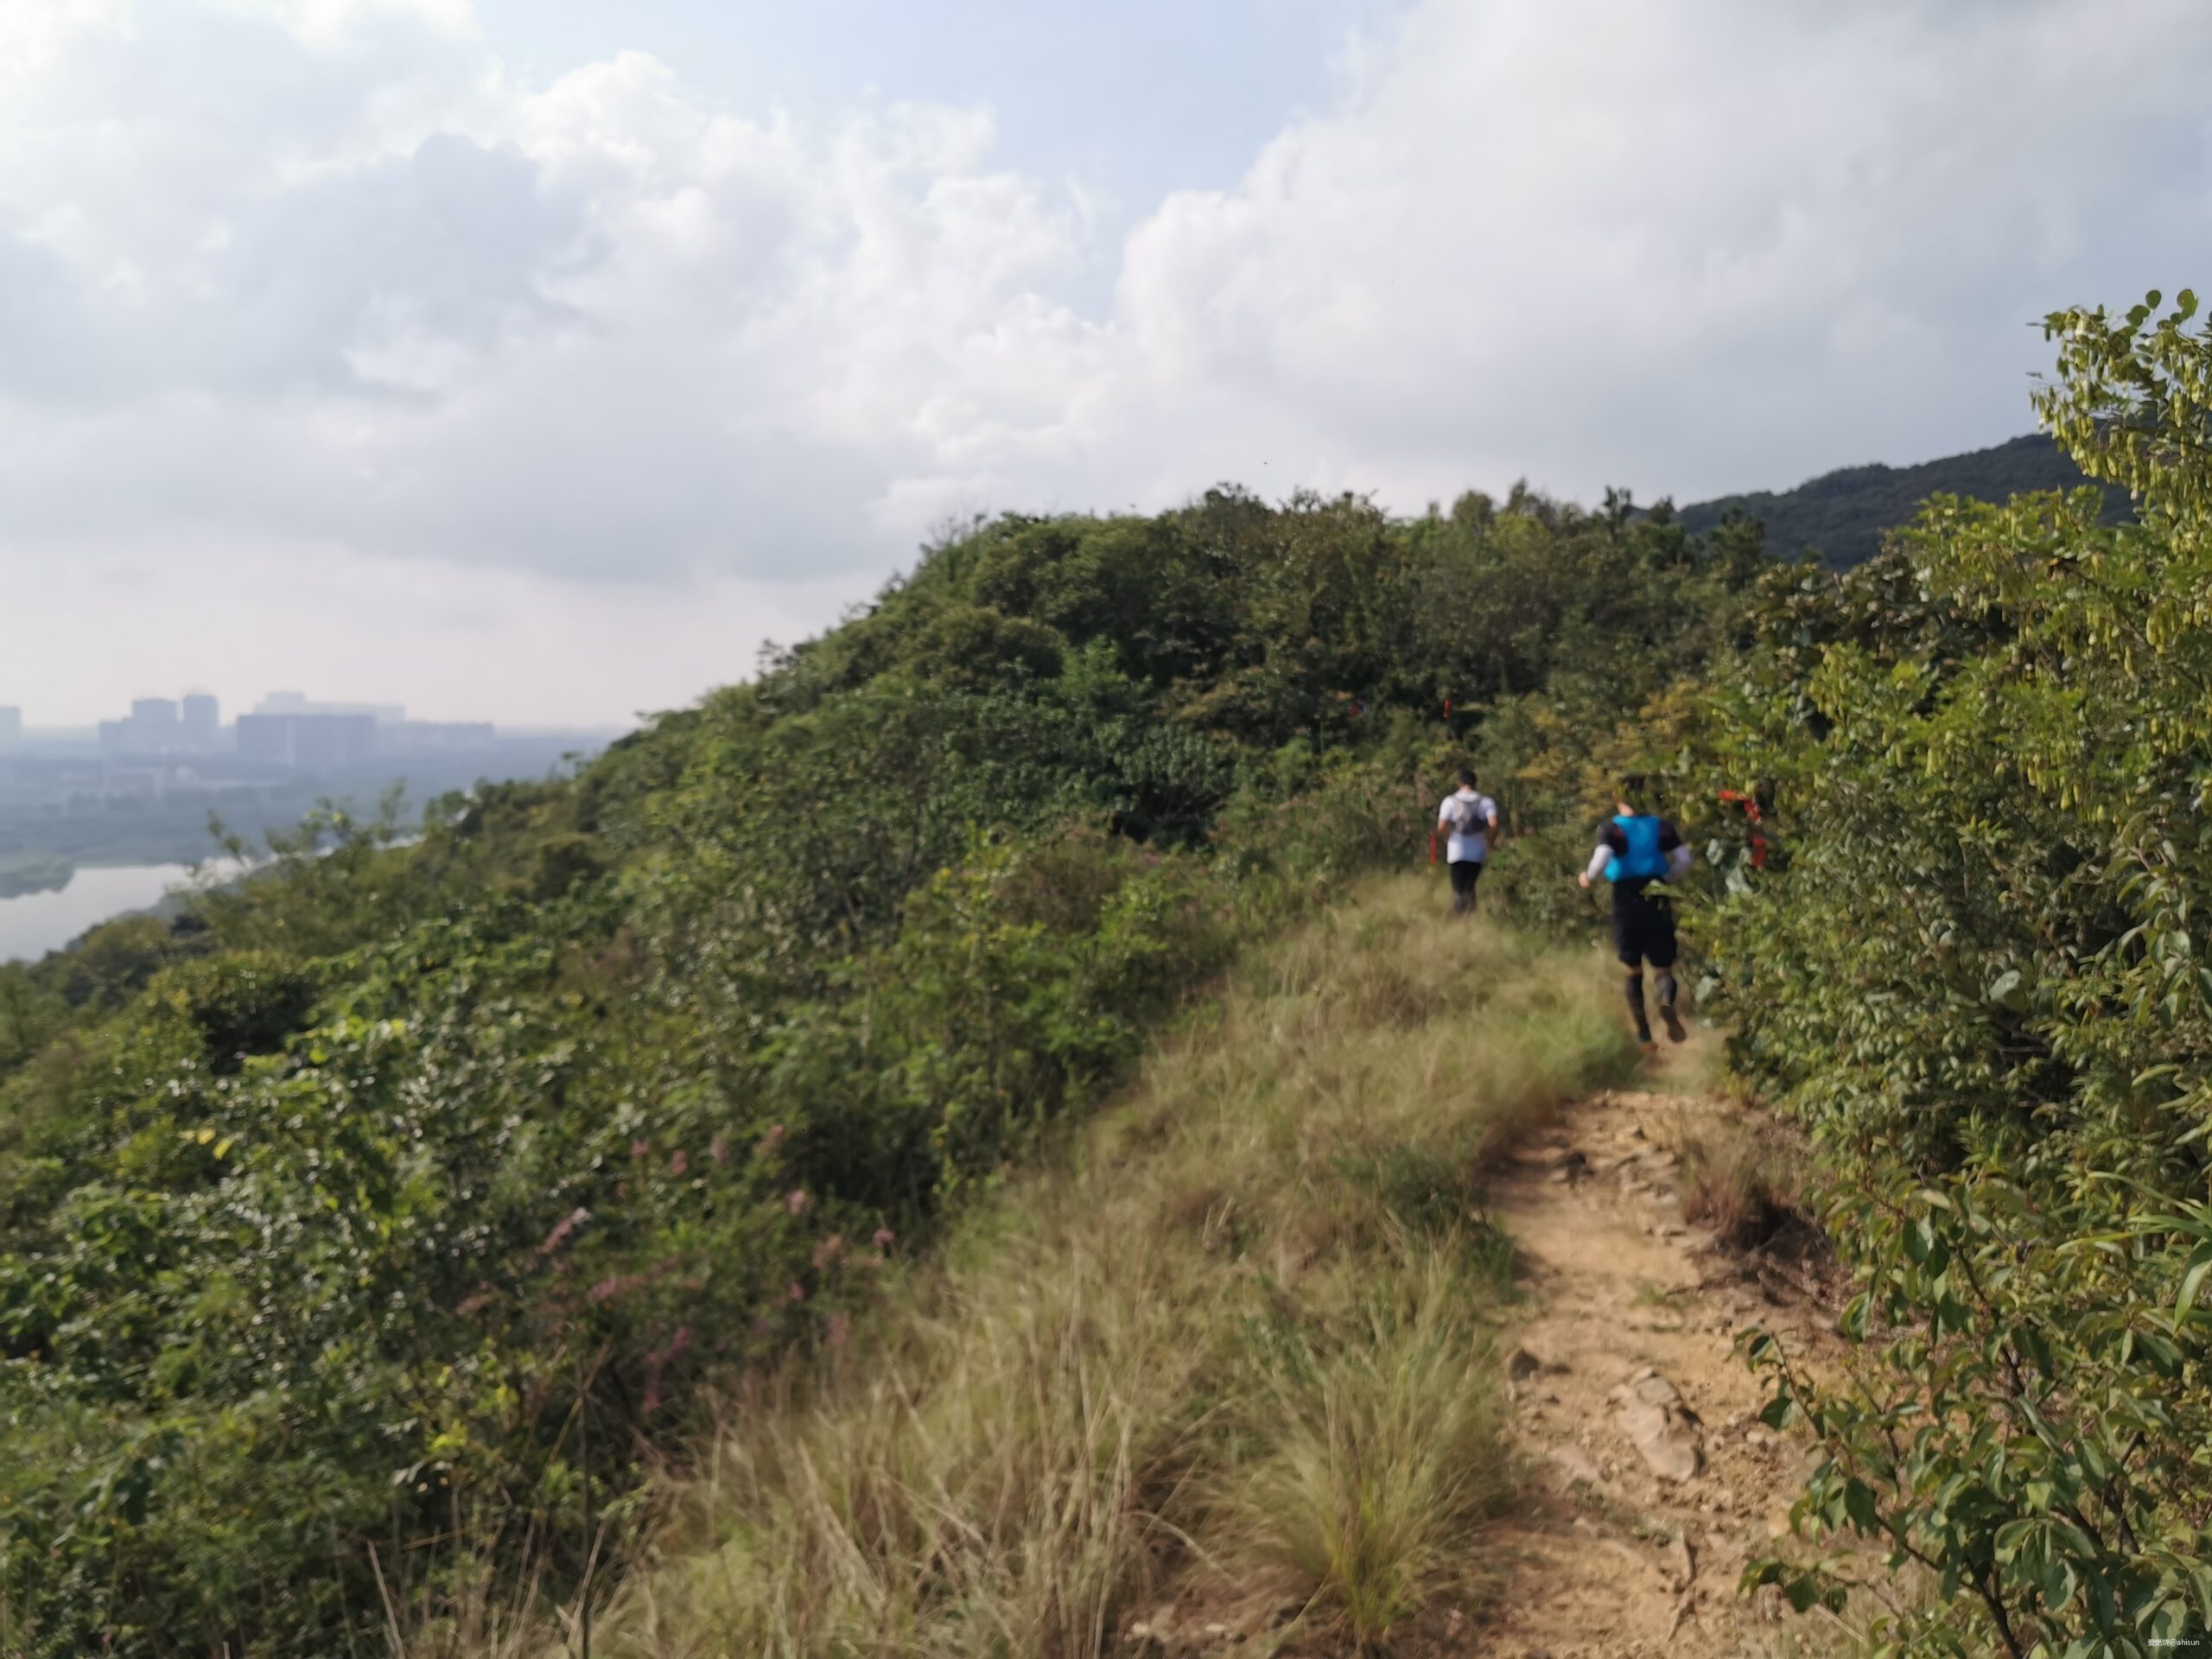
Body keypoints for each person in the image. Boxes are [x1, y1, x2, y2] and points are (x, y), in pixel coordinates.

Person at [1579, 783, 1693, 1046]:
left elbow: (1603, 856)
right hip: (1657, 894)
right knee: (1663, 966)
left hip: (1626, 899)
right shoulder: (1661, 826)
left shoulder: (1613, 829)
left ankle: (1644, 1035)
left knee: (1633, 970)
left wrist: (1588, 877)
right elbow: (1684, 859)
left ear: (1616, 797)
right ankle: (1666, 999)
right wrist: (1667, 879)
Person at [1436, 769, 1500, 915]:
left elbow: (1441, 825)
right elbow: (1494, 824)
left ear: (1459, 783)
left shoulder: (1449, 801)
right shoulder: (1486, 802)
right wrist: (1490, 842)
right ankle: (1469, 918)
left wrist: (1447, 837)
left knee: (1458, 888)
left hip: (1456, 850)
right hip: (1477, 851)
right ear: (1475, 783)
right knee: (1470, 886)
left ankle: (1460, 918)